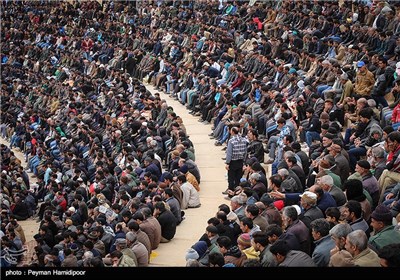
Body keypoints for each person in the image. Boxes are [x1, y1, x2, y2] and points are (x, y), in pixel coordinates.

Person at [224, 126, 248, 194]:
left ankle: (230, 192)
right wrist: (244, 162)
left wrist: (227, 163)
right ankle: (237, 191)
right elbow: (245, 152)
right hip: (240, 161)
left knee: (231, 178)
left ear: (233, 132)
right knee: (238, 178)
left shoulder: (231, 141)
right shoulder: (244, 140)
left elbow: (229, 153)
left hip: (233, 162)